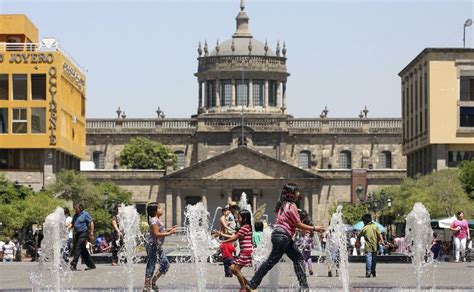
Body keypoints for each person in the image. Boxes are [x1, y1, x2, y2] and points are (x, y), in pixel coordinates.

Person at [245, 183, 325, 291]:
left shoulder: (282, 205)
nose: (299, 193)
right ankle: (252, 284)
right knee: (271, 262)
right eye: (297, 191)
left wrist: (303, 229)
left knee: (298, 259)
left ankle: (304, 288)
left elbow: (288, 224)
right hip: (283, 237)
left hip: (281, 236)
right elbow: (297, 223)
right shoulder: (292, 206)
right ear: (292, 194)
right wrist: (314, 228)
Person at [143, 203, 176, 292]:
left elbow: (159, 231)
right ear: (155, 211)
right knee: (151, 266)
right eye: (159, 208)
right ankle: (146, 287)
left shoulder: (156, 220)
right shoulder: (154, 220)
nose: (161, 209)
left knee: (165, 264)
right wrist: (169, 233)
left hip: (157, 246)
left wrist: (169, 230)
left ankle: (153, 282)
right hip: (152, 246)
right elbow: (156, 234)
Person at [220, 209, 254, 292]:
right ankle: (248, 285)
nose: (237, 219)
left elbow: (235, 237)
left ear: (244, 218)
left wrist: (223, 241)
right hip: (244, 251)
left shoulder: (246, 227)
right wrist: (221, 234)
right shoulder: (244, 227)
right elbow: (234, 234)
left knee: (235, 269)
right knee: (233, 268)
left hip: (246, 251)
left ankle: (244, 288)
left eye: (239, 217)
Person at [70, 203, 96, 271]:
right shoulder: (75, 215)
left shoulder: (85, 214)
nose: (75, 210)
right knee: (83, 250)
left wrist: (91, 232)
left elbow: (91, 222)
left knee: (77, 248)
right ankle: (91, 265)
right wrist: (66, 228)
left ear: (80, 208)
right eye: (75, 208)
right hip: (77, 234)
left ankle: (73, 265)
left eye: (76, 208)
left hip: (84, 233)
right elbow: (72, 224)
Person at [356, 214, 384, 278]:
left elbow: (358, 236)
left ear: (365, 221)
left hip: (368, 247)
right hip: (375, 246)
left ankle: (368, 271)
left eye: (363, 221)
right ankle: (373, 271)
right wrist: (382, 241)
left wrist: (358, 242)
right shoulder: (375, 226)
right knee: (374, 260)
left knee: (368, 259)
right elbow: (379, 235)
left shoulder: (364, 228)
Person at [295, 209, 314, 276]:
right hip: (309, 240)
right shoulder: (310, 221)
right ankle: (310, 268)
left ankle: (303, 270)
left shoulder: (301, 222)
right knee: (308, 256)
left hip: (303, 239)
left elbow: (298, 230)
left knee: (302, 256)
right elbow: (312, 231)